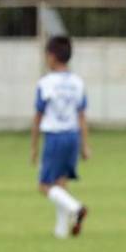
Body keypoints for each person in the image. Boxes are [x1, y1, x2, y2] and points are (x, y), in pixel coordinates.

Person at [32, 35, 89, 239]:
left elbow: (38, 115)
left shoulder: (45, 83)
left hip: (55, 137)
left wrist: (34, 146)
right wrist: (85, 145)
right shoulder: (77, 83)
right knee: (61, 184)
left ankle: (76, 207)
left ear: (52, 56)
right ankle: (61, 231)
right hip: (73, 136)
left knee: (44, 185)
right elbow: (82, 115)